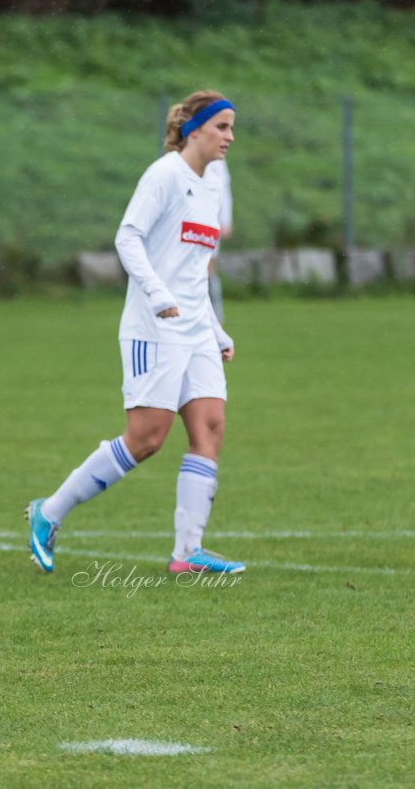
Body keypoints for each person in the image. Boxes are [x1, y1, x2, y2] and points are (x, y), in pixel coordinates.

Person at [27, 90, 243, 576]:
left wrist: (215, 327)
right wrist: (157, 294)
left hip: (195, 329)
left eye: (231, 128)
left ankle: (188, 553)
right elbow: (128, 237)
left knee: (209, 428)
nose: (230, 137)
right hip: (155, 327)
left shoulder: (210, 185)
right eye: (222, 127)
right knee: (146, 439)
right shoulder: (164, 175)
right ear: (194, 130)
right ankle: (50, 512)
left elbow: (193, 271)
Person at [205, 158, 232, 322]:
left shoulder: (217, 161)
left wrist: (225, 220)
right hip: (190, 224)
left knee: (208, 269)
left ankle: (215, 316)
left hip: (211, 222)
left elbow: (225, 190)